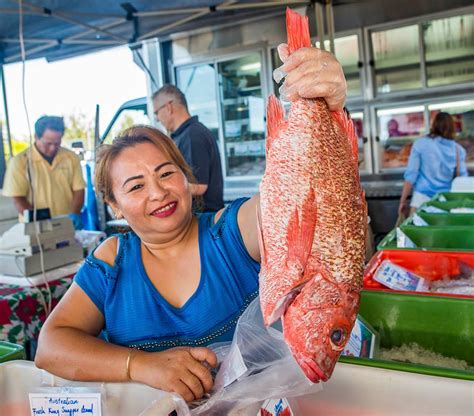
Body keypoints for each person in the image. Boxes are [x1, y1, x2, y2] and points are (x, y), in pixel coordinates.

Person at [35, 45, 348, 403]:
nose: (158, 192)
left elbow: (309, 205)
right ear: (114, 206)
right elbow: (50, 346)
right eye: (135, 186)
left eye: (167, 173)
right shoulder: (112, 261)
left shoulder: (229, 234)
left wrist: (329, 103)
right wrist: (141, 365)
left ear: (188, 179)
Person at [2, 116, 85, 229]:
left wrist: (75, 213)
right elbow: (18, 198)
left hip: (67, 225)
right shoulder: (20, 162)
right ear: (36, 137)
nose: (52, 148)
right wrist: (39, 222)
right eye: (48, 143)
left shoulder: (71, 158)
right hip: (35, 229)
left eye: (57, 143)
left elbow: (79, 190)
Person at [152, 84, 224, 212]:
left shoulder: (192, 135)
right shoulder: (185, 134)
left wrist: (162, 187)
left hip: (205, 221)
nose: (157, 118)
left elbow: (198, 187)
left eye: (156, 112)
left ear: (168, 107)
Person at [398, 112, 468, 216]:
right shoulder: (458, 150)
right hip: (445, 202)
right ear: (452, 127)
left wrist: (402, 201)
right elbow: (463, 179)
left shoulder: (420, 144)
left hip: (421, 201)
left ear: (434, 125)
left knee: (416, 232)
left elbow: (411, 175)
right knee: (442, 232)